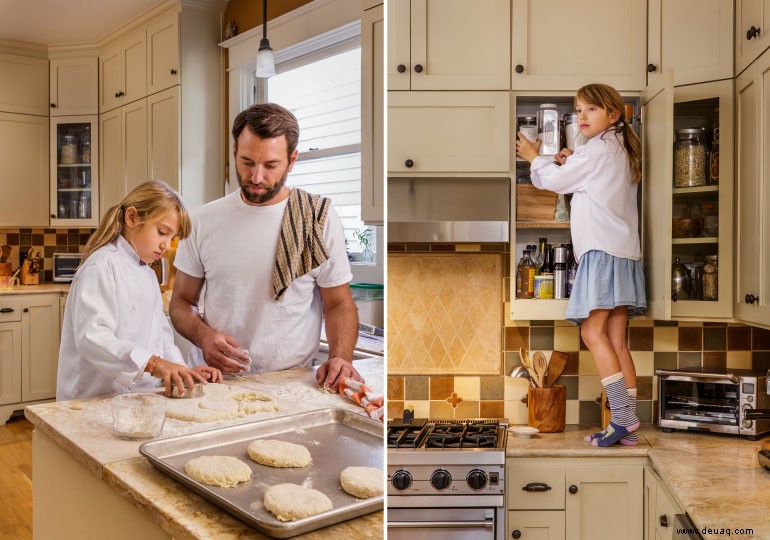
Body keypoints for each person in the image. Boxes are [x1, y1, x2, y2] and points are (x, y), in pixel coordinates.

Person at [170, 103, 363, 391]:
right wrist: (204, 337)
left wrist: (341, 358)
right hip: (213, 381)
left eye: (271, 165)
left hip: (293, 384)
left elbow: (338, 303)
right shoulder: (202, 221)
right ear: (235, 152)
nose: (257, 178)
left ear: (292, 159)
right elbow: (181, 303)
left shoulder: (317, 219)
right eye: (247, 162)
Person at [516, 84, 646, 447]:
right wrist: (571, 160)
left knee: (592, 334)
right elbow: (584, 176)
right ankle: (629, 420)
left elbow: (555, 182)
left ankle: (620, 419)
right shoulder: (616, 147)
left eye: (591, 110)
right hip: (624, 252)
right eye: (579, 110)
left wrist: (533, 156)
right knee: (617, 340)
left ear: (613, 115)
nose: (582, 116)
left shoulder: (597, 150)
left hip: (601, 252)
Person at [57, 181, 222, 402]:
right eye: (162, 232)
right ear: (132, 218)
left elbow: (162, 339)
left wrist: (182, 372)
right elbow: (93, 338)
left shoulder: (147, 274)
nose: (166, 245)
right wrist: (153, 364)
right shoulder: (101, 266)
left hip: (137, 401)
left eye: (172, 238)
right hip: (91, 401)